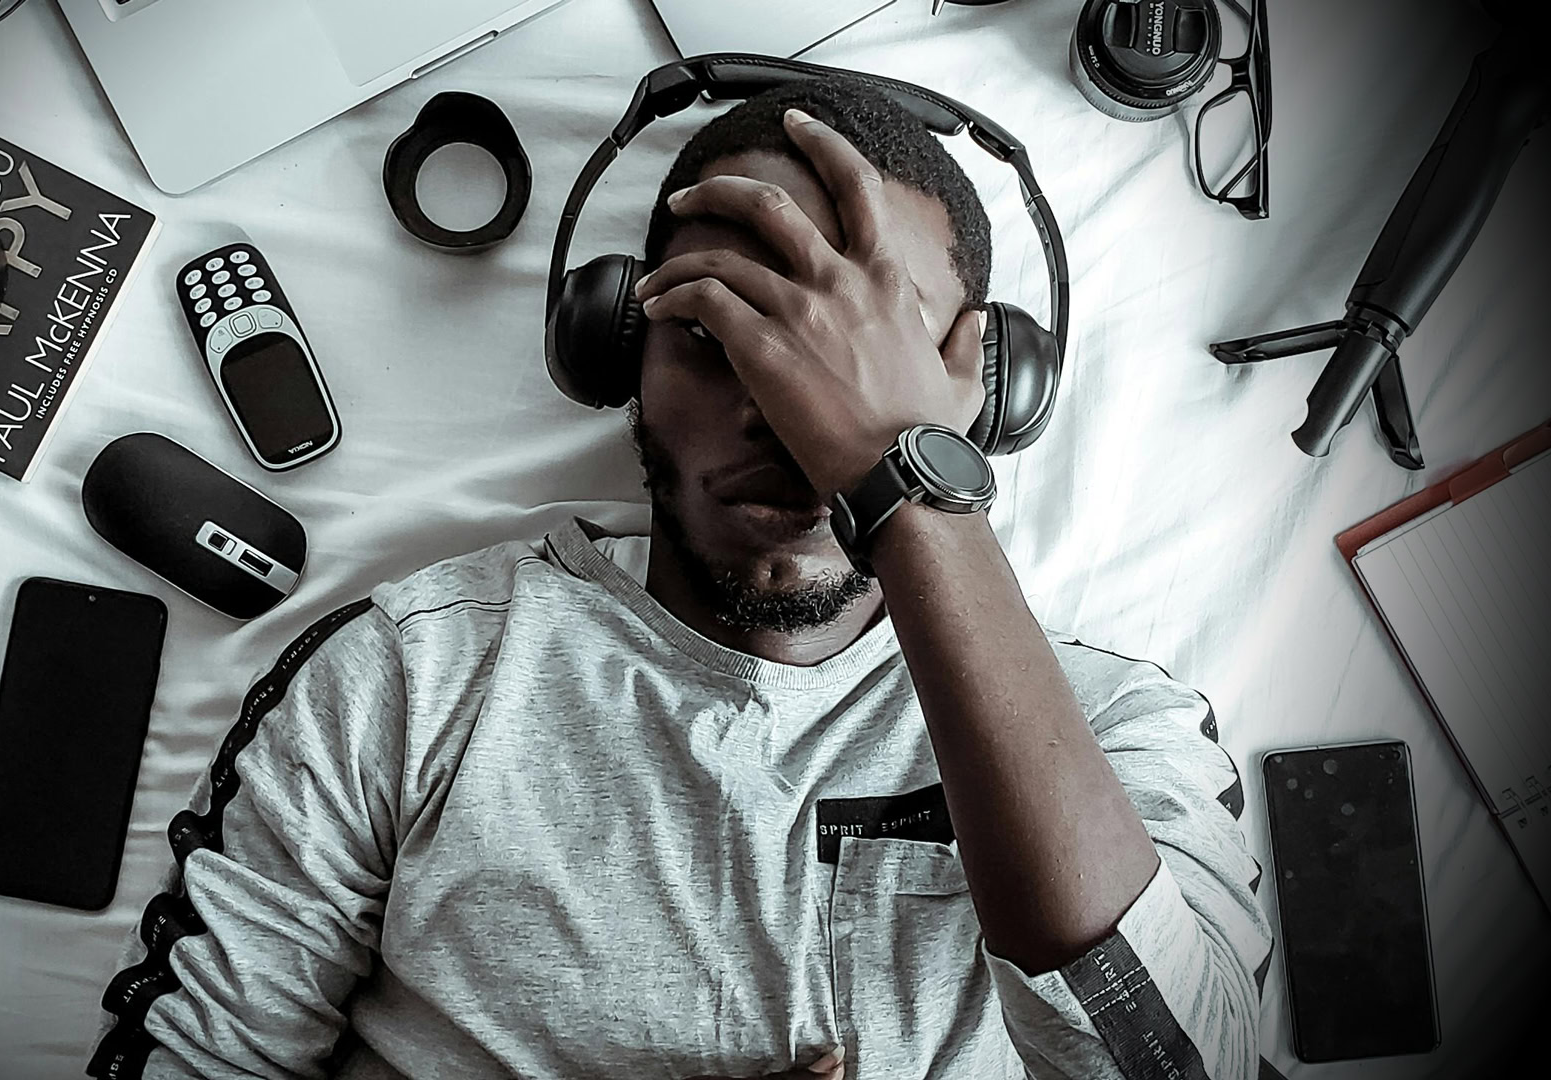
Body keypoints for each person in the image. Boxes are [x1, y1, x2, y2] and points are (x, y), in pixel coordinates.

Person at [92, 78, 1270, 1080]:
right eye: (721, 333)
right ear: (618, 353)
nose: (790, 414)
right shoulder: (411, 673)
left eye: (868, 353)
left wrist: (901, 481)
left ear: (988, 387)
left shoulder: (1122, 733)